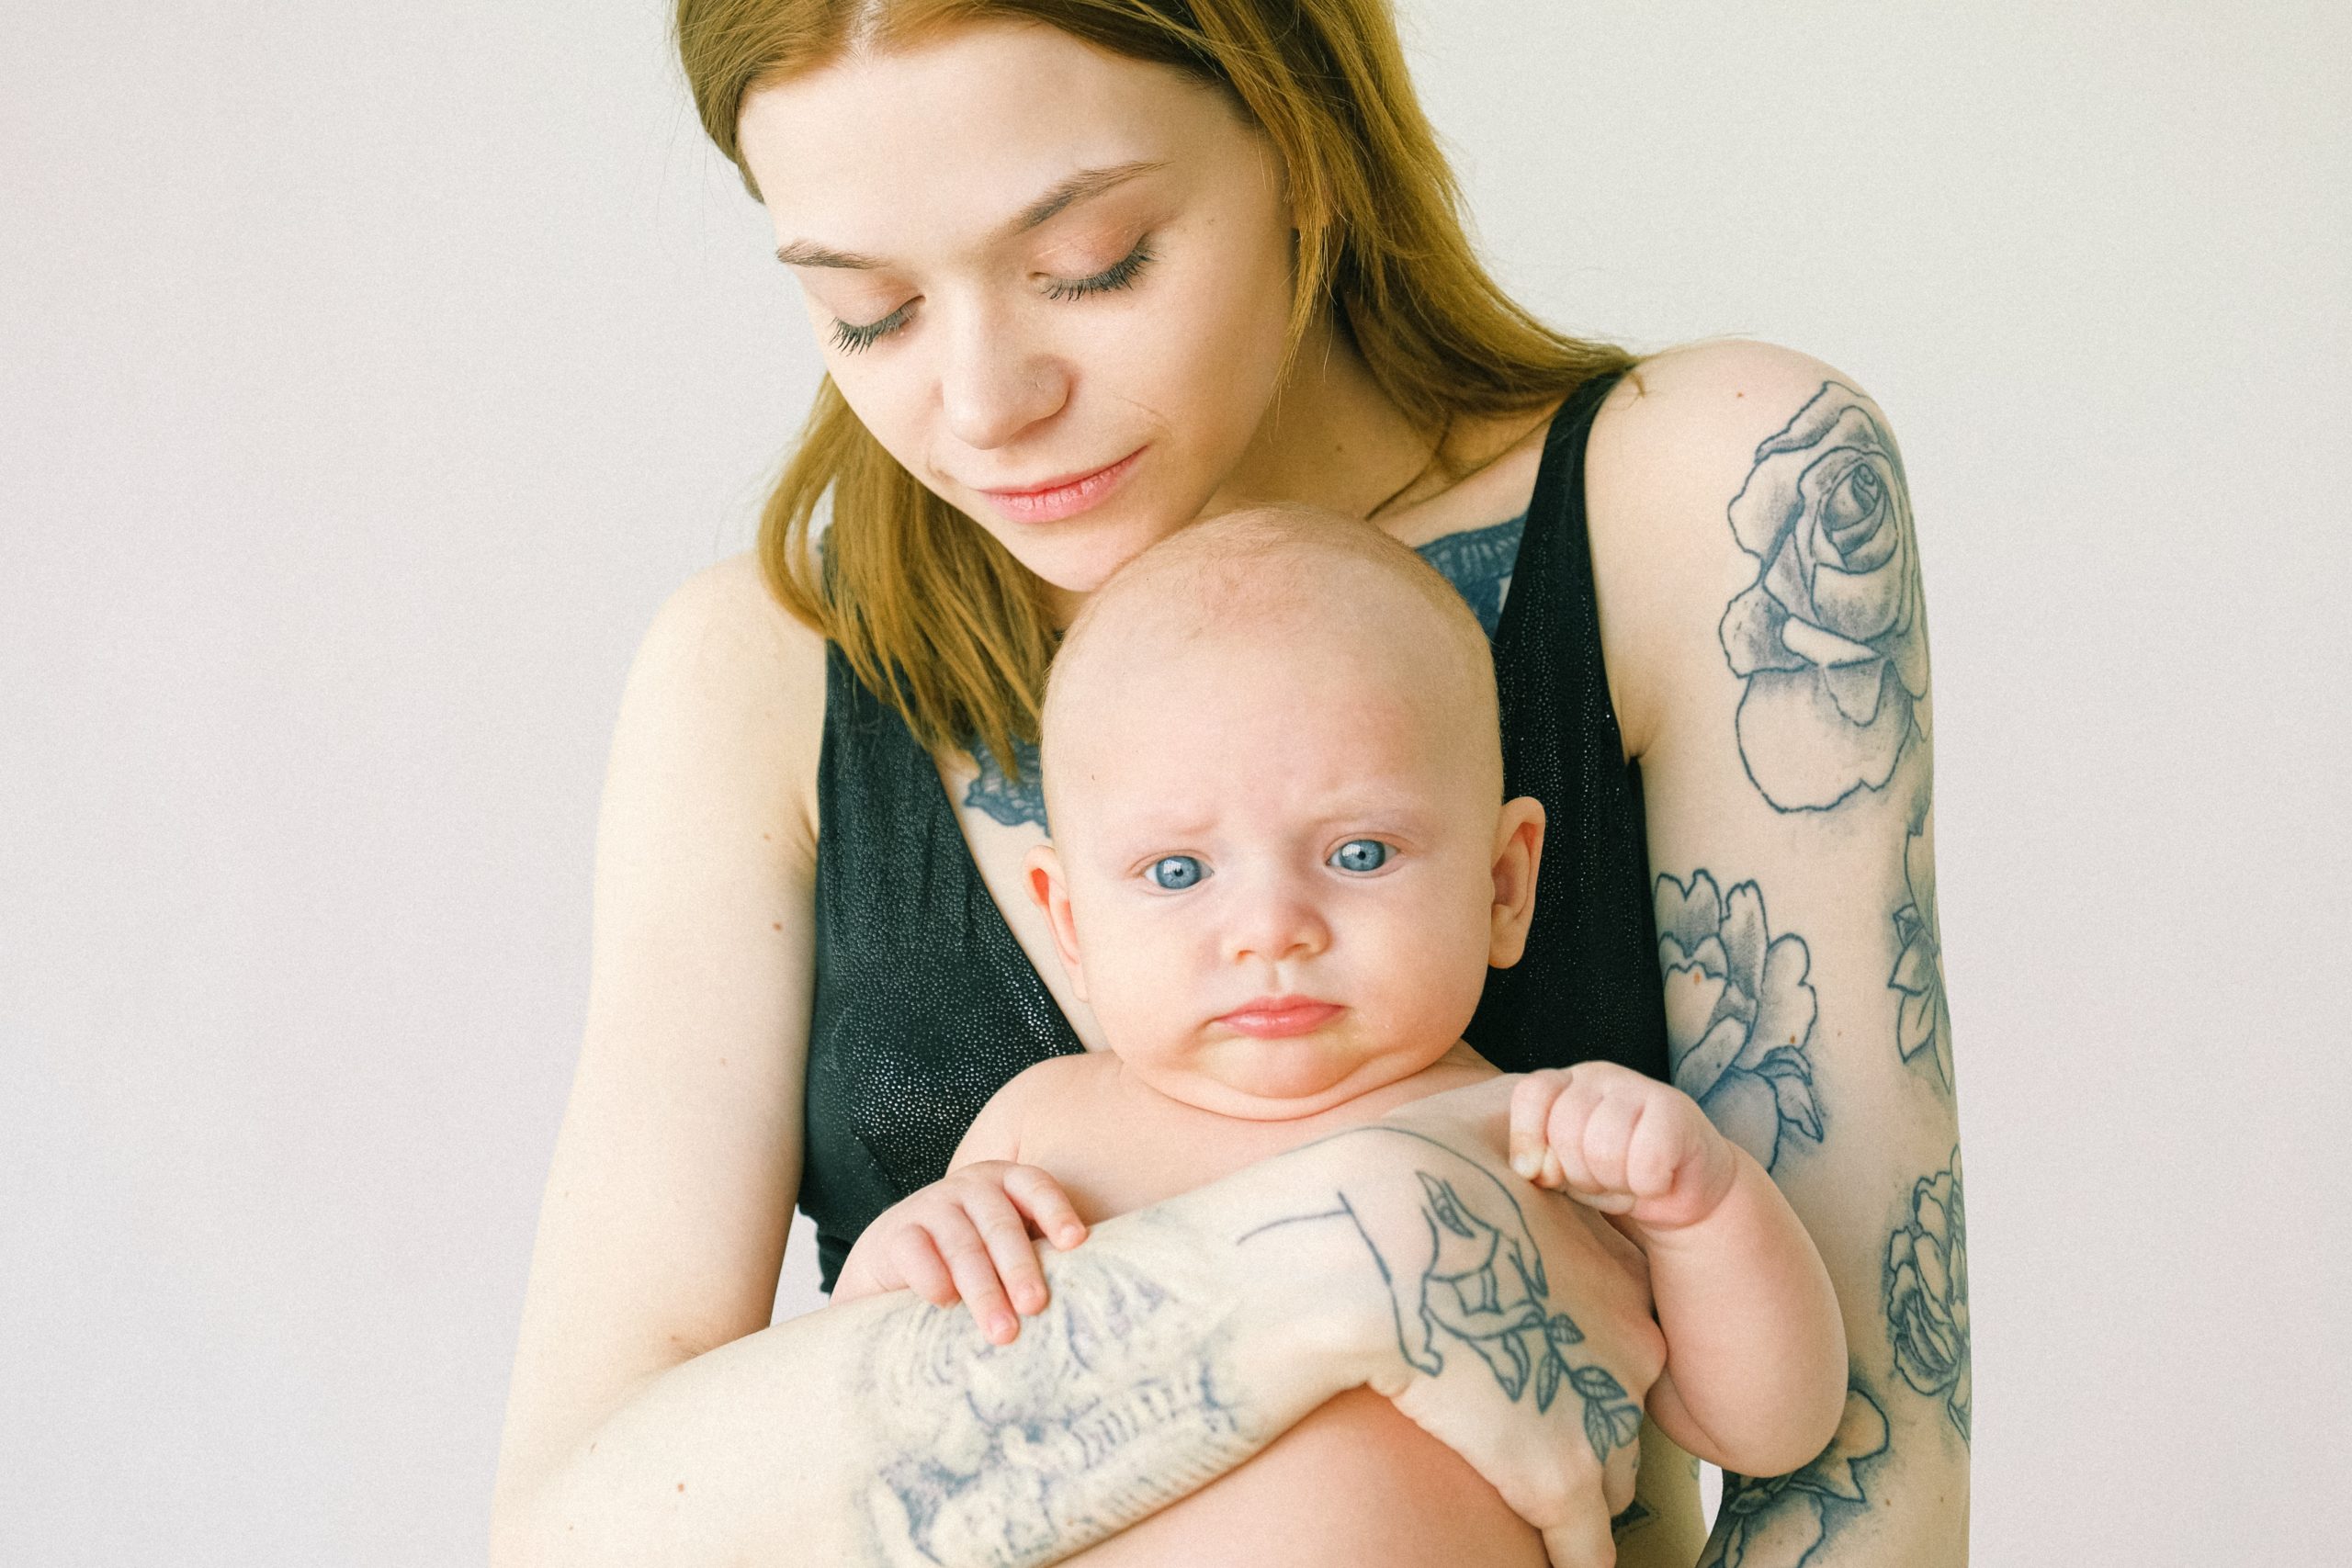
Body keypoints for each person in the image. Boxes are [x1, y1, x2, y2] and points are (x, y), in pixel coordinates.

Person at [490, 3, 1969, 1565]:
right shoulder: (760, 670)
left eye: (1094, 261)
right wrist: (1349, 1256)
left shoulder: (1716, 499)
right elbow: (577, 1531)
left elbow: (1865, 1468)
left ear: (1305, 144)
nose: (988, 405)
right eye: (872, 312)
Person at [829, 507, 1849, 1567]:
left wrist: (1704, 1210)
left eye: (1360, 853)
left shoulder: (1542, 1140)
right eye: (1178, 872)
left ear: (1504, 886)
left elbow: (1766, 1430)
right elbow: (875, 1430)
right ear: (1071, 924)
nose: (1271, 929)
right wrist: (909, 1258)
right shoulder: (1041, 1139)